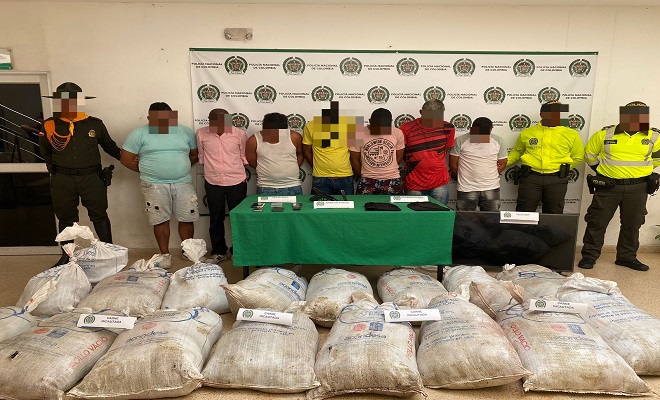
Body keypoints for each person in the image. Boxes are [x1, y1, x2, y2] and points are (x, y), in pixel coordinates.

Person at [39, 82, 121, 267]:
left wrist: (129, 159)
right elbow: (45, 151)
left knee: (99, 215)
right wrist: (57, 170)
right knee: (65, 218)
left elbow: (110, 146)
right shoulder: (50, 125)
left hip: (91, 178)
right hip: (63, 179)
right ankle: (67, 256)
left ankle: (110, 254)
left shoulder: (94, 124)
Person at [578, 101, 660, 271]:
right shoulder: (604, 134)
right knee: (597, 222)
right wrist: (602, 171)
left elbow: (658, 158)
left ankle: (627, 257)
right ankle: (589, 256)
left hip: (638, 188)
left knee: (632, 224)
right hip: (608, 186)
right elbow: (589, 154)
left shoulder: (654, 136)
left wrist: (643, 171)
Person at [121, 102, 199, 269]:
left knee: (187, 217)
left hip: (183, 182)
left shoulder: (185, 132)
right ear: (149, 118)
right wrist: (150, 171)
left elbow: (194, 155)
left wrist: (178, 169)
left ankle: (188, 252)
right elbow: (126, 159)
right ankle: (165, 255)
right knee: (160, 219)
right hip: (153, 184)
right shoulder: (139, 134)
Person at [507, 101, 584, 214]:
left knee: (554, 214)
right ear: (542, 114)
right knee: (524, 213)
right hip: (531, 178)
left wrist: (562, 169)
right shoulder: (527, 133)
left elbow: (578, 157)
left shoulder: (571, 134)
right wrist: (502, 163)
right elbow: (516, 152)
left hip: (557, 180)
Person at [196, 108, 247, 264]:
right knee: (215, 218)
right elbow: (202, 156)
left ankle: (238, 251)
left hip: (236, 180)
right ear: (209, 121)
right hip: (213, 181)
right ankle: (219, 252)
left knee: (238, 218)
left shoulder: (239, 134)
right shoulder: (201, 133)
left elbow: (243, 156)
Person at [400, 99, 455, 205]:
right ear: (421, 112)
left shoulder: (449, 128)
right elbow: (402, 153)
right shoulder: (406, 128)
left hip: (439, 182)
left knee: (439, 213)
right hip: (414, 183)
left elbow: (445, 150)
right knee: (415, 214)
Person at [449, 117, 508, 211]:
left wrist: (489, 175)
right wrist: (464, 177)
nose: (480, 137)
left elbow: (503, 163)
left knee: (491, 218)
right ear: (472, 129)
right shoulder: (460, 140)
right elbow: (453, 164)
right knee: (465, 218)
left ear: (490, 130)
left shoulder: (499, 141)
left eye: (484, 134)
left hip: (491, 187)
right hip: (467, 188)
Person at [302, 101, 356, 195]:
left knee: (347, 205)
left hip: (345, 177)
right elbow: (306, 151)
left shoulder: (350, 126)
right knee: (318, 205)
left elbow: (355, 153)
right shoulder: (311, 126)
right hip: (321, 179)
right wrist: (316, 167)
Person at [349, 108, 405, 194]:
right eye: (377, 127)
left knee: (396, 203)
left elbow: (399, 156)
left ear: (391, 122)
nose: (380, 131)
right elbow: (354, 159)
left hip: (392, 178)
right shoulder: (359, 133)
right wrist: (365, 175)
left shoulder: (397, 133)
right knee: (362, 202)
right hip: (367, 179)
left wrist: (386, 169)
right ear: (370, 121)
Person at [246, 112, 303, 195]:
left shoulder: (295, 137)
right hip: (265, 187)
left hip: (292, 185)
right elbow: (252, 161)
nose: (274, 134)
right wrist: (268, 169)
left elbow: (300, 154)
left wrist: (291, 168)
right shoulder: (253, 140)